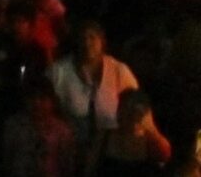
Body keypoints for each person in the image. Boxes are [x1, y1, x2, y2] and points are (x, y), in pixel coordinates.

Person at [52, 23, 141, 166]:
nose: (87, 43)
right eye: (82, 38)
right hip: (70, 148)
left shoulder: (119, 71)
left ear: (102, 41)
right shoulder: (58, 72)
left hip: (112, 149)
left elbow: (137, 106)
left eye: (92, 38)